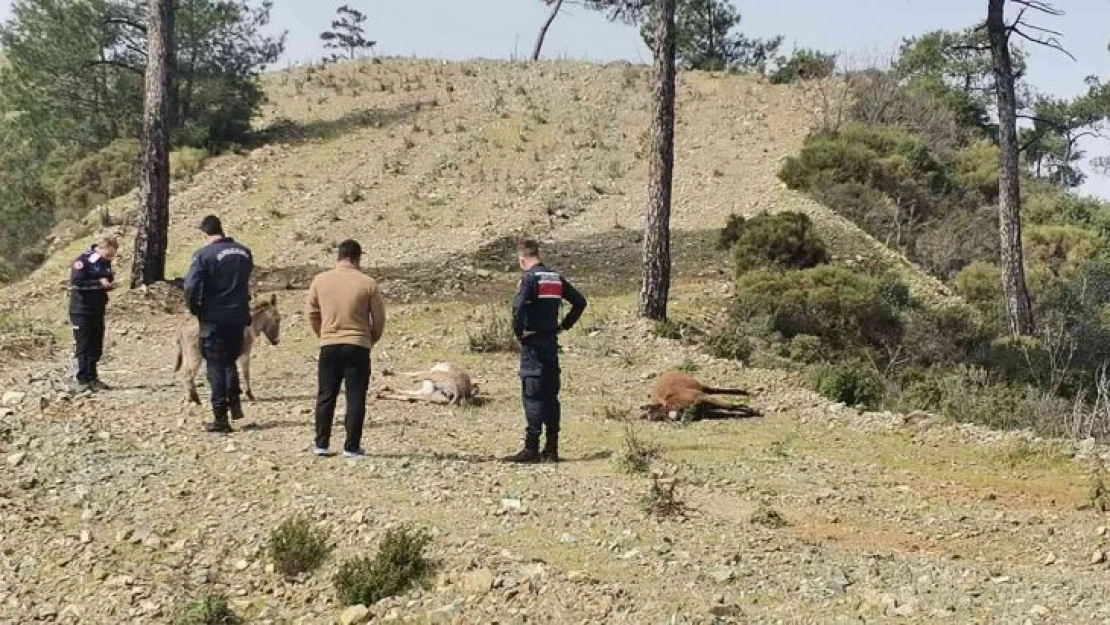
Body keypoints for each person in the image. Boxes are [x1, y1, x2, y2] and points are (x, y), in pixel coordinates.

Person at [505, 238, 587, 464]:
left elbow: (518, 308)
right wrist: (564, 325)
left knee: (532, 394)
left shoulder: (529, 279)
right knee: (551, 396)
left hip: (533, 345)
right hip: (551, 343)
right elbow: (580, 302)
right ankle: (551, 449)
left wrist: (519, 332)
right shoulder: (555, 278)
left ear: (522, 259)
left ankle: (531, 448)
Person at [306, 239, 386, 458]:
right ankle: (351, 446)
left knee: (326, 395)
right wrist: (370, 340)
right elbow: (379, 319)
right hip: (358, 345)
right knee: (356, 396)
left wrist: (323, 334)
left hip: (329, 344)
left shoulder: (320, 280)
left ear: (338, 257)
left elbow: (312, 313)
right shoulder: (368, 283)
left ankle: (321, 444)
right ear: (358, 258)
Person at [184, 215, 254, 434]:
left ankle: (220, 420)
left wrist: (196, 309)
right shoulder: (244, 252)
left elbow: (191, 286)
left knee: (215, 366)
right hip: (239, 317)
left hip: (214, 318)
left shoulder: (203, 255)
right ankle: (235, 408)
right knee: (230, 362)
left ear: (205, 234)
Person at [69, 235, 119, 393]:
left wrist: (108, 283)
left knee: (96, 344)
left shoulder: (103, 262)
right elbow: (77, 282)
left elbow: (107, 276)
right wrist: (98, 283)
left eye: (112, 256)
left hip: (97, 309)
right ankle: (81, 380)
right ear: (101, 248)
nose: (110, 258)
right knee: (83, 344)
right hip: (81, 309)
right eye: (108, 255)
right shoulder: (83, 261)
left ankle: (93, 377)